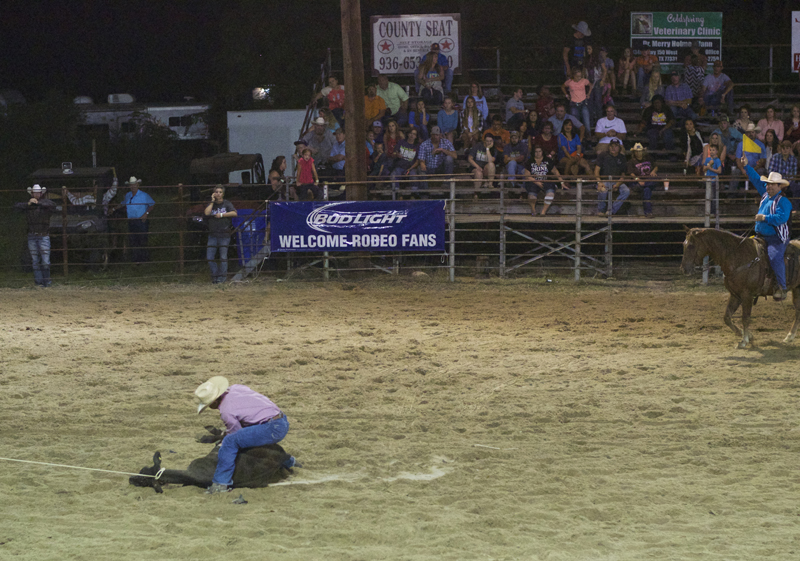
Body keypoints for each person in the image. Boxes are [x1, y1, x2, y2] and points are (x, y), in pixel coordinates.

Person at [194, 376, 299, 494]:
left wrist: (223, 442)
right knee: (249, 436)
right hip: (280, 419)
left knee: (230, 442)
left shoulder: (226, 411)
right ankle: (288, 461)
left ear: (214, 401)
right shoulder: (236, 388)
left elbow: (235, 433)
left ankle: (221, 483)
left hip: (272, 428)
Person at [743, 164, 792, 300]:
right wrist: (747, 165)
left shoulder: (784, 202)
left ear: (779, 186)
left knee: (775, 257)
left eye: (772, 184)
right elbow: (756, 179)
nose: (768, 186)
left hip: (776, 238)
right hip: (760, 236)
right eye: (767, 184)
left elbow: (781, 218)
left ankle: (782, 287)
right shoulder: (765, 195)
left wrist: (764, 217)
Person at [14, 184, 56, 287]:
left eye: (38, 192)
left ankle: (45, 282)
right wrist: (29, 204)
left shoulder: (45, 205)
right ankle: (40, 282)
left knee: (45, 261)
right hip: (33, 235)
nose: (36, 194)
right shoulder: (29, 206)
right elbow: (16, 206)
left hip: (43, 235)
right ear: (32, 193)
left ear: (41, 194)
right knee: (35, 261)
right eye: (35, 192)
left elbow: (52, 205)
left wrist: (37, 203)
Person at [204, 185, 237, 284]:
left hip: (224, 235)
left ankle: (221, 278)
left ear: (223, 194)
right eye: (216, 192)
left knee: (223, 257)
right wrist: (212, 201)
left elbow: (235, 213)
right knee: (210, 257)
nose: (218, 194)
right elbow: (206, 213)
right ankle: (215, 275)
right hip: (213, 234)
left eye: (220, 192)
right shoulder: (211, 204)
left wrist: (222, 215)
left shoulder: (227, 203)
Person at [117, 176, 154, 263]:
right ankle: (136, 259)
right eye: (131, 185)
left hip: (141, 220)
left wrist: (146, 214)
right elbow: (123, 204)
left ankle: (144, 259)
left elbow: (151, 205)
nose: (133, 186)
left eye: (134, 185)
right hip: (132, 220)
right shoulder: (128, 195)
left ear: (137, 185)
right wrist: (115, 208)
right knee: (133, 240)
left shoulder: (144, 195)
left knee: (142, 239)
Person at [521, 145, 566, 216]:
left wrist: (561, 181)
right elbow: (527, 176)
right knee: (531, 195)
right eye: (536, 152)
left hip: (546, 181)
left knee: (550, 194)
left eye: (539, 151)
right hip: (533, 182)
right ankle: (533, 210)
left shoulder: (548, 161)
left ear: (542, 152)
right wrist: (537, 182)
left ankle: (543, 212)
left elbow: (555, 171)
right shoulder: (530, 161)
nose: (538, 153)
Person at [594, 139, 630, 216]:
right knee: (602, 190)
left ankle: (611, 210)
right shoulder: (603, 155)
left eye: (616, 146)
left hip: (617, 181)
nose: (613, 148)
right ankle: (601, 210)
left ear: (619, 148)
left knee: (626, 191)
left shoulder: (622, 157)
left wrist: (618, 183)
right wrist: (599, 182)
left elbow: (623, 174)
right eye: (612, 146)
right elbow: (596, 170)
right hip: (605, 180)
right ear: (609, 147)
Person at [626, 143, 658, 218]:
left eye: (640, 151)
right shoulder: (631, 161)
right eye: (636, 151)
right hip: (637, 182)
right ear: (634, 152)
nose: (638, 153)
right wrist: (638, 180)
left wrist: (653, 171)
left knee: (650, 185)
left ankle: (648, 212)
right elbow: (631, 173)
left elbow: (656, 166)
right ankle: (648, 212)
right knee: (647, 190)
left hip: (648, 180)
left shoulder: (648, 158)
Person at [731, 123, 766, 190]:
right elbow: (738, 159)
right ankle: (731, 195)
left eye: (752, 132)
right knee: (735, 172)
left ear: (755, 133)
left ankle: (759, 193)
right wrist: (742, 169)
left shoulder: (761, 145)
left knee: (761, 171)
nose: (750, 134)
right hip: (744, 168)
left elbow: (763, 159)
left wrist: (754, 169)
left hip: (756, 168)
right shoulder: (741, 144)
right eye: (749, 132)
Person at [390, 128, 420, 196]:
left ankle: (414, 195)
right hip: (400, 166)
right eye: (411, 133)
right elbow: (394, 154)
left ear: (416, 136)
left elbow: (418, 161)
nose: (412, 135)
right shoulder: (401, 142)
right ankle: (396, 194)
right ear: (408, 134)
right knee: (393, 175)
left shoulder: (417, 145)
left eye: (414, 134)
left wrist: (410, 169)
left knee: (414, 176)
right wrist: (396, 154)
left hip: (411, 167)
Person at [770, 141, 799, 210]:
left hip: (789, 182)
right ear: (781, 149)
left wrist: (786, 184)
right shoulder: (775, 157)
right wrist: (780, 183)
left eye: (787, 148)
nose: (785, 150)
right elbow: (771, 172)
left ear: (790, 149)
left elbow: (793, 174)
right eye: (783, 148)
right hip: (776, 182)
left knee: (797, 188)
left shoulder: (793, 160)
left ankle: (795, 209)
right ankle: (773, 208)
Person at [562, 67, 592, 135]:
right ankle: (577, 136)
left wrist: (588, 94)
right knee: (576, 122)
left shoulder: (584, 80)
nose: (579, 78)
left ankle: (588, 135)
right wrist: (566, 94)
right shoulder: (570, 82)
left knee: (586, 120)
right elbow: (563, 86)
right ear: (574, 76)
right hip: (574, 104)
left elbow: (590, 85)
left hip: (583, 102)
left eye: (580, 76)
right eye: (577, 76)